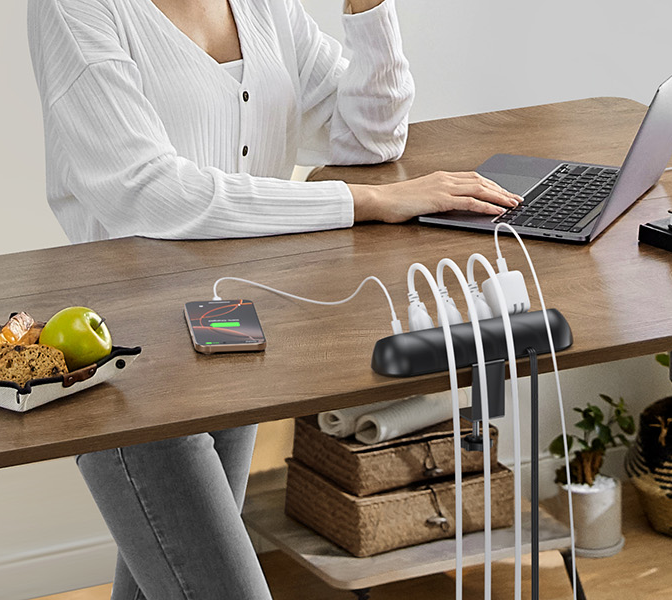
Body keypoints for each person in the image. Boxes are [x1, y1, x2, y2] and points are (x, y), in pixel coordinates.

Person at [27, 0, 519, 598]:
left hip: (230, 319)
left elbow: (368, 137)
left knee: (173, 581)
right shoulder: (77, 8)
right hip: (130, 355)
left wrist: (368, 10)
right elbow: (149, 194)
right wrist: (363, 201)